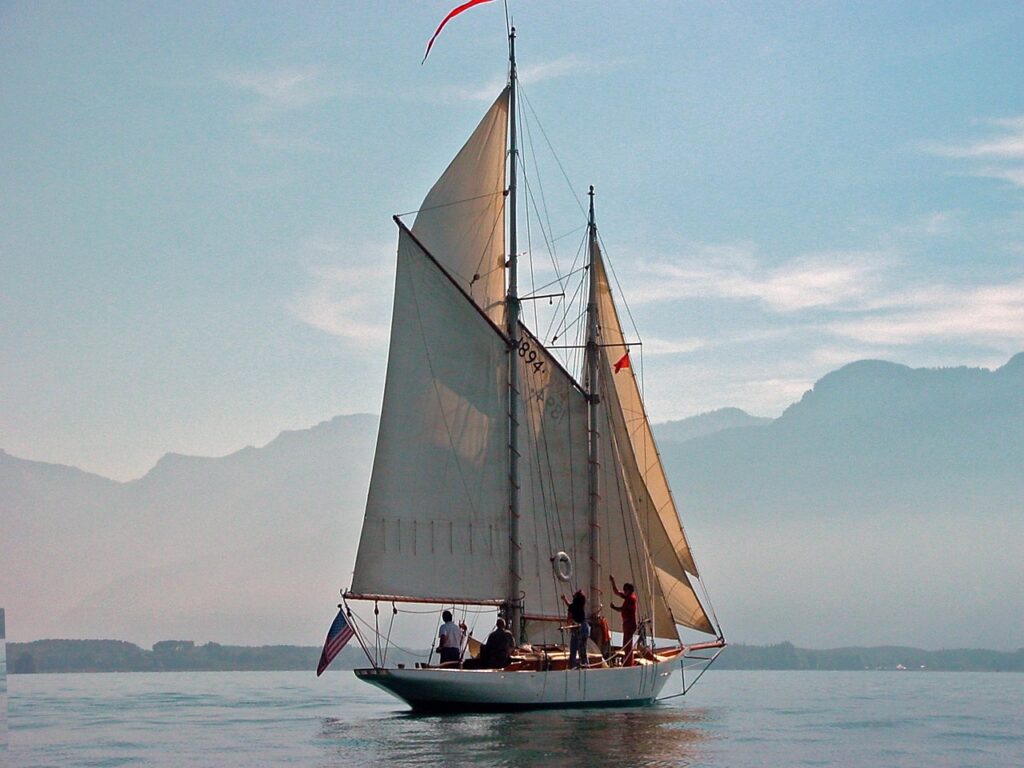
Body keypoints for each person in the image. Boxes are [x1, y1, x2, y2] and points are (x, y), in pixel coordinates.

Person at [609, 575, 638, 666]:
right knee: (626, 644)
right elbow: (616, 592)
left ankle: (628, 663)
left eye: (625, 590)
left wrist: (614, 607)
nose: (624, 591)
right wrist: (612, 581)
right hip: (627, 624)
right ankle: (628, 661)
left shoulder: (631, 599)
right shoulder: (628, 597)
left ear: (629, 590)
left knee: (627, 645)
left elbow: (622, 609)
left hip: (629, 624)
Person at [561, 590, 590, 669]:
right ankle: (585, 665)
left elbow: (570, 616)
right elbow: (570, 606)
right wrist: (565, 599)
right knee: (582, 649)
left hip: (577, 628)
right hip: (585, 627)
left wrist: (567, 625)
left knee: (573, 650)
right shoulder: (581, 604)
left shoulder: (573, 606)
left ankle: (572, 666)